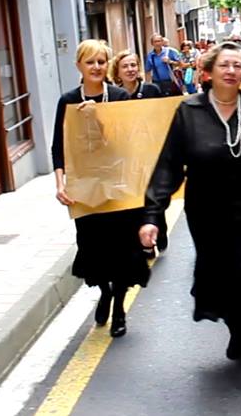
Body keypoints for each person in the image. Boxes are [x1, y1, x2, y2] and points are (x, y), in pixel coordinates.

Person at [138, 42, 241, 407]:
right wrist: (151, 216)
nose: (231, 71)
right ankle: (238, 330)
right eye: (224, 64)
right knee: (224, 282)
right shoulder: (189, 111)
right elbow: (169, 166)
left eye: (238, 65)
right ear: (208, 72)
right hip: (208, 216)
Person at [51, 40, 149, 339]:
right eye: (90, 62)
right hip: (84, 190)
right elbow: (59, 146)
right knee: (93, 249)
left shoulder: (118, 97)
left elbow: (129, 142)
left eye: (101, 62)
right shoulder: (68, 100)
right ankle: (104, 292)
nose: (96, 67)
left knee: (123, 250)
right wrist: (60, 183)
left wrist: (98, 119)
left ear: (108, 65)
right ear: (79, 65)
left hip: (119, 187)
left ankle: (119, 307)